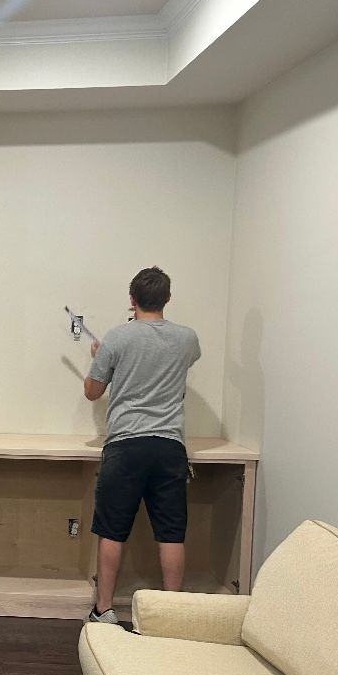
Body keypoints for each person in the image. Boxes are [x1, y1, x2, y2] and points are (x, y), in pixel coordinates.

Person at [83, 266, 201, 624]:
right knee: (171, 531)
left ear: (132, 300)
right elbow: (177, 364)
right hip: (169, 446)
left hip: (126, 445)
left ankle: (104, 610)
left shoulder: (118, 338)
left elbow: (93, 392)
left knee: (112, 529)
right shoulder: (188, 338)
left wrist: (101, 358)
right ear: (167, 299)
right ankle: (170, 613)